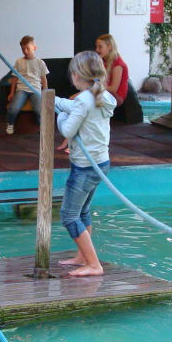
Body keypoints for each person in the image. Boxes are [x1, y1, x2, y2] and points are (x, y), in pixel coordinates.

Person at [53, 50, 117, 277]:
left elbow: (68, 129)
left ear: (76, 75)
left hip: (84, 168)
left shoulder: (83, 100)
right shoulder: (103, 96)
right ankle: (83, 256)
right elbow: (76, 108)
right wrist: (55, 101)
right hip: (101, 164)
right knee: (83, 211)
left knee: (69, 216)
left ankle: (93, 264)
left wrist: (58, 115)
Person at [6, 35, 49, 134]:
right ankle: (10, 123)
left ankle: (41, 127)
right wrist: (11, 93)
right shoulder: (19, 62)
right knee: (13, 108)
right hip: (22, 89)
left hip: (35, 90)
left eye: (27, 48)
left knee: (40, 110)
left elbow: (44, 79)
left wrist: (45, 93)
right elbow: (14, 78)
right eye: (23, 49)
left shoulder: (40, 62)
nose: (25, 51)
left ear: (34, 48)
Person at [95, 33, 128, 107]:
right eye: (96, 47)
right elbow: (97, 80)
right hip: (105, 93)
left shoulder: (118, 64)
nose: (97, 50)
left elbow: (113, 89)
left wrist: (95, 87)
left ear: (109, 47)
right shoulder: (103, 61)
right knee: (76, 97)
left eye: (100, 47)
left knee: (81, 97)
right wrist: (94, 81)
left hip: (115, 97)